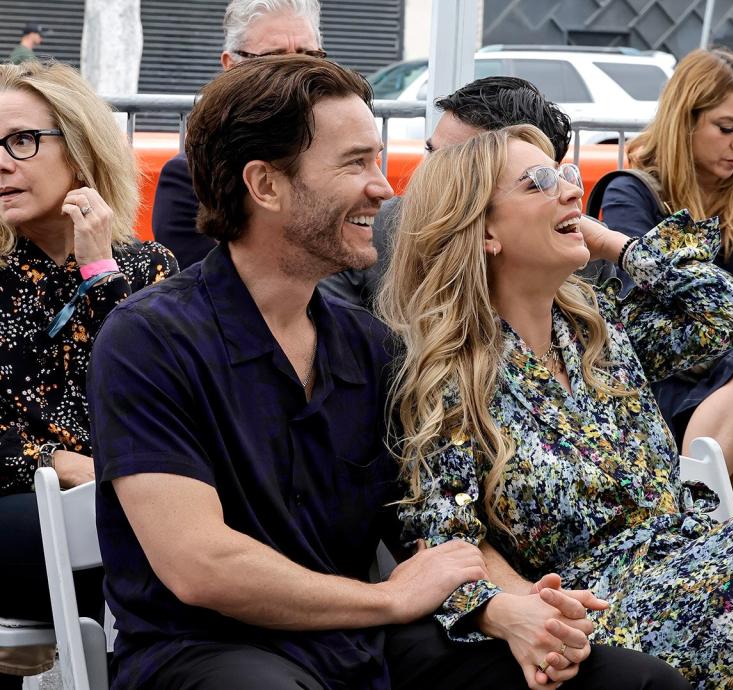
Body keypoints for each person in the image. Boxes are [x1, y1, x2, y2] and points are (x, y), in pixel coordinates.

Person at [87, 54, 677, 690]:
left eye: (377, 159)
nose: (384, 188)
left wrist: (514, 612)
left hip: (361, 649)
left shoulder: (368, 346)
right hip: (205, 652)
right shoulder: (148, 339)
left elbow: (431, 530)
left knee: (634, 682)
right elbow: (201, 567)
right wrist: (388, 602)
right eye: (355, 163)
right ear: (266, 185)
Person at [380, 123, 733, 687]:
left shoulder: (602, 334)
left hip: (694, 567)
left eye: (569, 174)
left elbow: (730, 313)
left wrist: (616, 245)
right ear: (484, 233)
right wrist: (519, 613)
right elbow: (446, 542)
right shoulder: (455, 374)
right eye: (538, 182)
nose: (572, 190)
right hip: (606, 612)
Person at [0, 61, 176, 687]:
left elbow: (153, 398)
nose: (2, 163)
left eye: (20, 141)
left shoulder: (147, 266)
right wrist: (58, 463)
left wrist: (98, 271)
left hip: (131, 497)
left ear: (77, 150)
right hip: (19, 501)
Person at [597, 49, 733, 507]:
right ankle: (693, 536)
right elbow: (644, 308)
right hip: (659, 381)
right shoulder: (632, 192)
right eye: (727, 128)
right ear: (683, 122)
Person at [322, 74, 578, 309]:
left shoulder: (580, 255)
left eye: (455, 168)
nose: (429, 175)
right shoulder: (369, 233)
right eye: (432, 153)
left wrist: (616, 248)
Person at [151, 0, 325, 270]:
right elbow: (199, 288)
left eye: (306, 55)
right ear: (230, 66)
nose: (296, 72)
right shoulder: (189, 179)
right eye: (273, 58)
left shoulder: (340, 157)